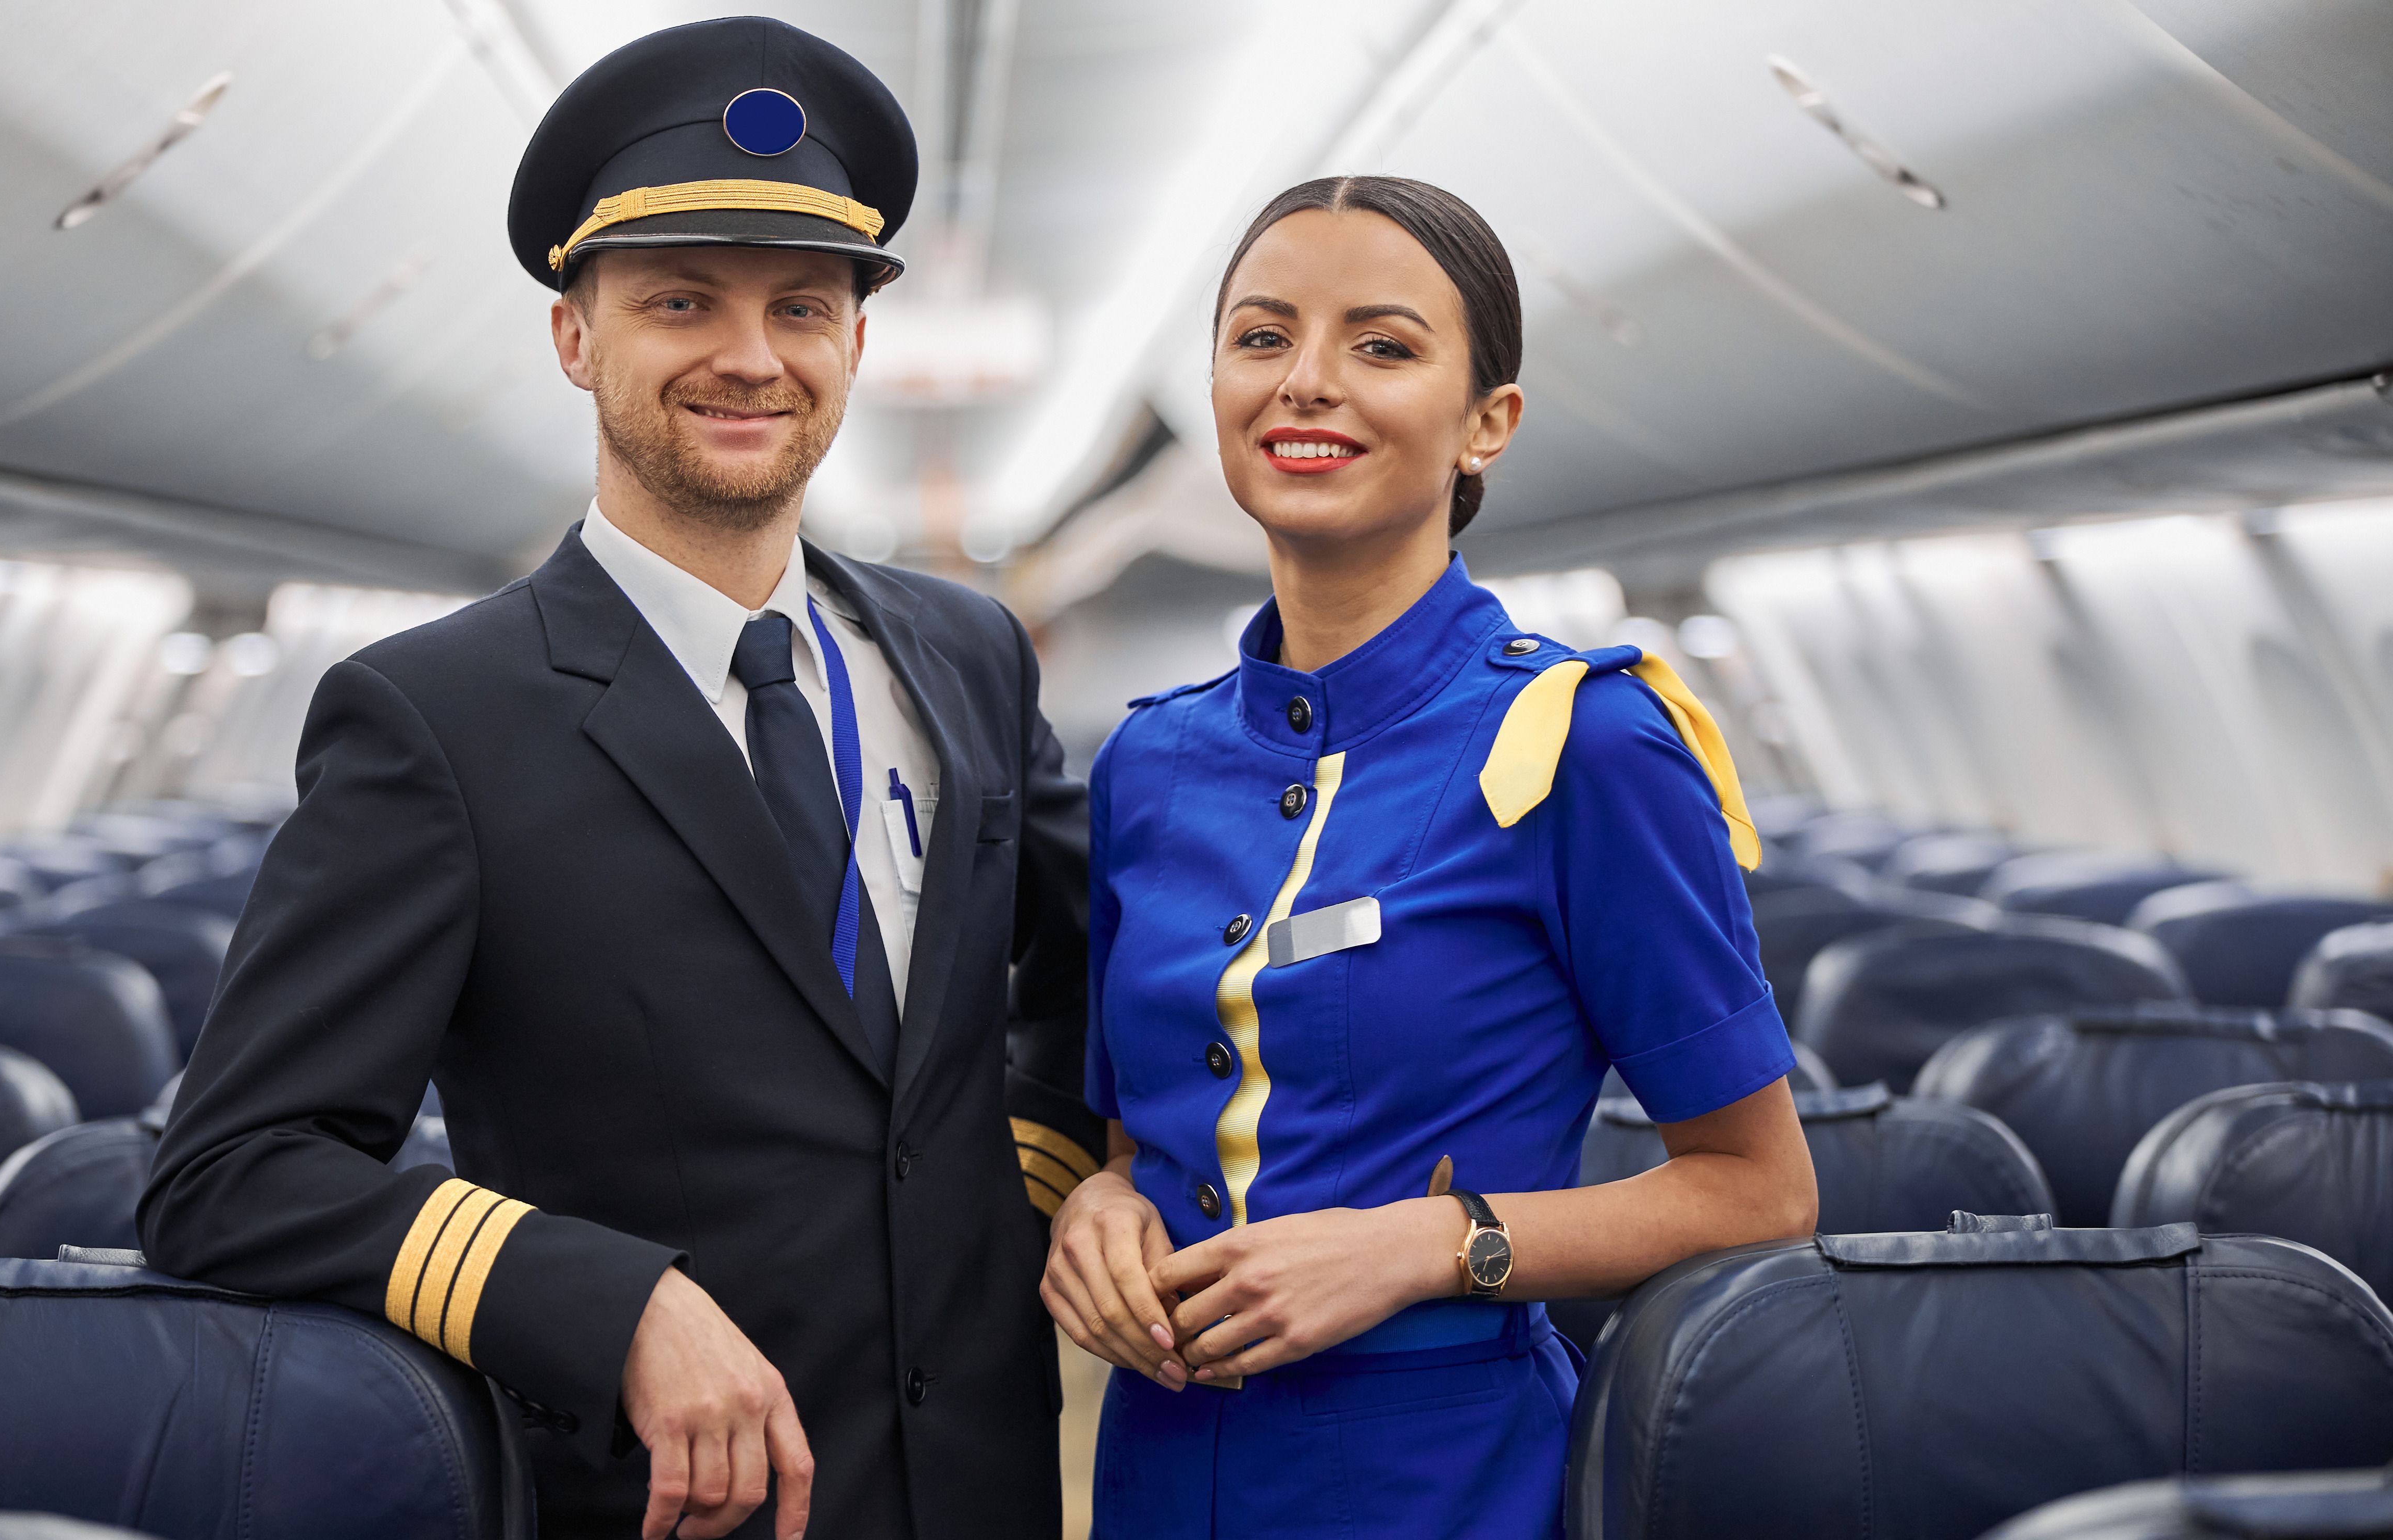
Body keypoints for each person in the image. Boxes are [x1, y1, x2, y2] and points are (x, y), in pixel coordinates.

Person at [138, 19, 1101, 1540]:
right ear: (575, 338)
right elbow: (236, 1171)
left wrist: (1034, 1162)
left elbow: (1088, 957)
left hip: (983, 1483)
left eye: (801, 304)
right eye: (678, 302)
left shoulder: (965, 653)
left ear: (856, 341)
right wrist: (612, 1304)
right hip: (666, 1506)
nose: (750, 355)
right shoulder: (432, 717)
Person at [1043, 175, 1820, 1539]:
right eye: (1261, 337)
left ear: (1486, 424)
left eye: (1383, 347)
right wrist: (1097, 1212)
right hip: (1163, 1468)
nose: (1306, 384)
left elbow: (1759, 1191)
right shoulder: (1148, 763)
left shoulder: (1582, 742)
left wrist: (1425, 1245)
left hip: (1442, 1479)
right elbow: (1137, 1142)